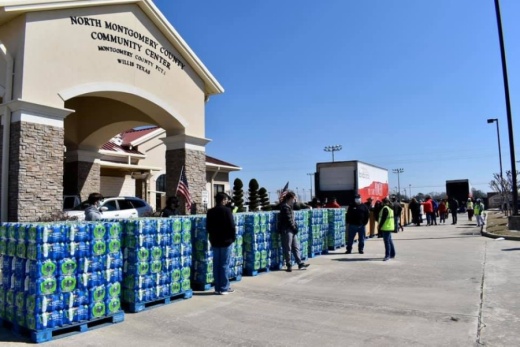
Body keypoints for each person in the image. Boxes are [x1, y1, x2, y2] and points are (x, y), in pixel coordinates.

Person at [206, 192, 236, 295]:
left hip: (215, 241)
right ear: (223, 200)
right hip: (226, 241)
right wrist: (233, 238)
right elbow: (232, 226)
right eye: (226, 199)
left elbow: (208, 227)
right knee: (224, 264)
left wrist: (211, 238)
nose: (227, 201)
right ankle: (224, 288)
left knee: (216, 264)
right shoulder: (227, 211)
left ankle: (217, 288)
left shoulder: (210, 212)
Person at [277, 191, 310, 272]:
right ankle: (289, 265)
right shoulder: (285, 207)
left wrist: (295, 227)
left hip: (292, 229)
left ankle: (300, 263)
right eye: (293, 198)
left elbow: (292, 219)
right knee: (287, 248)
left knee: (296, 247)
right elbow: (288, 219)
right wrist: (294, 227)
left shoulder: (289, 206)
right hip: (286, 230)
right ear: (290, 198)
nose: (294, 200)